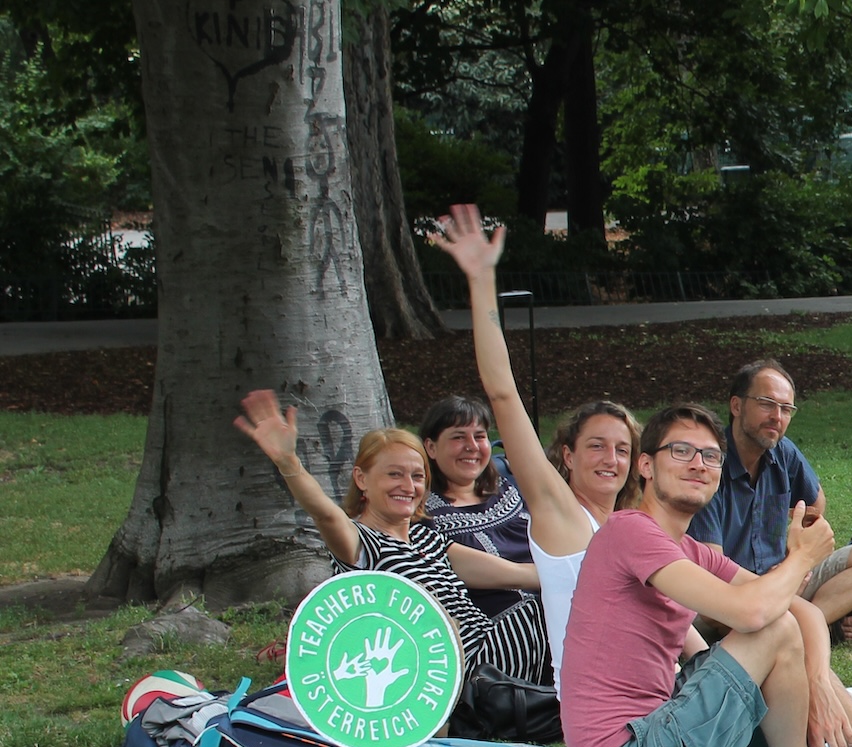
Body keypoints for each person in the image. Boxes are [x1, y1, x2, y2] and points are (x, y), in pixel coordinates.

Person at [562, 402, 852, 747]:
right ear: (646, 466)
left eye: (711, 456)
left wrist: (819, 681)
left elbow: (803, 611)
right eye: (681, 452)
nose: (698, 464)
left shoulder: (689, 551)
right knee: (773, 628)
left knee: (784, 625)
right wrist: (801, 559)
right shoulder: (629, 530)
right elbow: (753, 615)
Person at [429, 203, 641, 684]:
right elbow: (501, 390)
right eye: (596, 446)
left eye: (623, 449)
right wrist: (481, 280)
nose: (611, 460)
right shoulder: (562, 513)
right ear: (566, 456)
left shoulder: (634, 524)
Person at [234, 398, 549, 682]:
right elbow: (326, 515)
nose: (408, 486)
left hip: (496, 648)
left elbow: (521, 575)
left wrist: (581, 575)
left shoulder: (429, 539)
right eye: (394, 474)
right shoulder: (362, 543)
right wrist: (289, 462)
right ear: (362, 480)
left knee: (560, 599)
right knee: (554, 613)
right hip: (462, 670)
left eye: (417, 476)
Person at [688, 360, 852, 636]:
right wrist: (782, 578)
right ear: (736, 406)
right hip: (729, 597)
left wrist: (794, 553)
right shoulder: (709, 469)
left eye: (786, 409)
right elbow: (711, 580)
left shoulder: (783, 452)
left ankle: (802, 627)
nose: (777, 416)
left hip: (782, 581)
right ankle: (807, 625)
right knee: (718, 612)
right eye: (766, 404)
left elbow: (815, 502)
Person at [417, 394, 535, 622]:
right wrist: (552, 575)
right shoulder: (423, 514)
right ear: (431, 447)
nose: (471, 447)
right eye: (458, 437)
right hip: (500, 631)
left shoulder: (507, 487)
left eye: (479, 436)